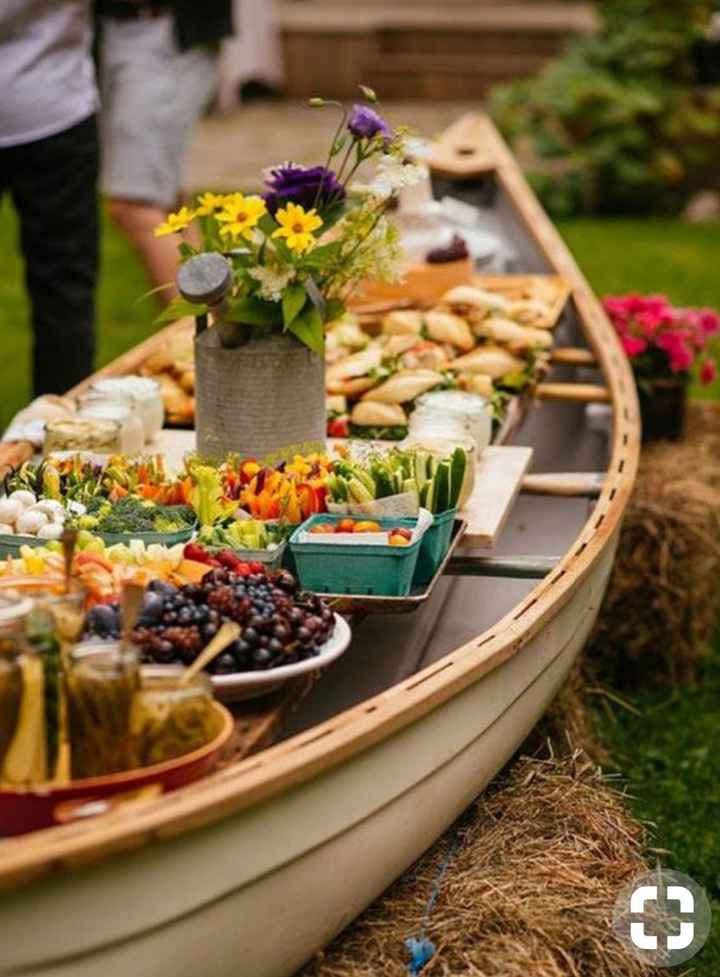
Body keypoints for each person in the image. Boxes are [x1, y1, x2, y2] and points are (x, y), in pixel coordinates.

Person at [96, 1, 234, 304]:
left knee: (135, 206)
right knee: (171, 206)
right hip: (123, 31)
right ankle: (223, 335)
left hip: (163, 31)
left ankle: (201, 341)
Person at [0, 0, 99, 396]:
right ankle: (62, 433)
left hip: (55, 113)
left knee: (64, 294)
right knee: (65, 293)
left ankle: (60, 431)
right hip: (57, 104)